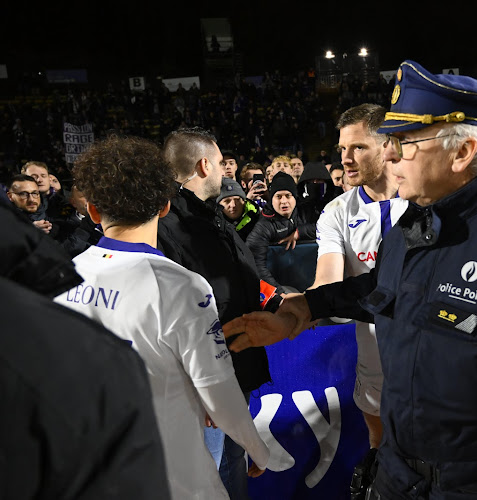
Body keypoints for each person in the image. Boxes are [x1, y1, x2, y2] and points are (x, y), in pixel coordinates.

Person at [225, 59, 477, 499]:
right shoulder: (415, 226)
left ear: (463, 152)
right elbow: (384, 291)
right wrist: (302, 310)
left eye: (405, 141)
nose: (392, 153)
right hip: (401, 479)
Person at [53, 135, 271, 500]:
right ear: (165, 206)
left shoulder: (56, 277)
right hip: (171, 465)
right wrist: (261, 449)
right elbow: (217, 388)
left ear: (92, 211)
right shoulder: (181, 285)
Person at [0, 203, 170, 500]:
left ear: (92, 210)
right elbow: (211, 378)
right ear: (163, 207)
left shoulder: (73, 270)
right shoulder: (99, 360)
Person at [158, 127, 281, 500]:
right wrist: (204, 388)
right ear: (203, 164)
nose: (226, 173)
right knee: (210, 478)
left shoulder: (209, 219)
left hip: (229, 379)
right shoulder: (167, 226)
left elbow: (238, 284)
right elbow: (173, 317)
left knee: (231, 469)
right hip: (205, 390)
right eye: (221, 164)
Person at [311, 103, 409, 481]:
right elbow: (328, 282)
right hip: (373, 358)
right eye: (342, 150)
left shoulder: (421, 199)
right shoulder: (335, 212)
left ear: (388, 146)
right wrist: (301, 307)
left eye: (358, 148)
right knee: (381, 450)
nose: (346, 159)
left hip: (428, 353)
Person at [245, 172, 315, 292]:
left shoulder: (305, 212)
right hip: (282, 286)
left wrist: (300, 232)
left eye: (288, 195)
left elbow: (328, 228)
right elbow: (255, 264)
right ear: (271, 199)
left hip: (309, 281)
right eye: (278, 196)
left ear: (295, 197)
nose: (283, 201)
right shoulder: (264, 225)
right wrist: (280, 294)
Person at [295, 160, 339, 225]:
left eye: (319, 180)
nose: (315, 183)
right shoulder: (297, 205)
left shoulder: (336, 202)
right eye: (311, 181)